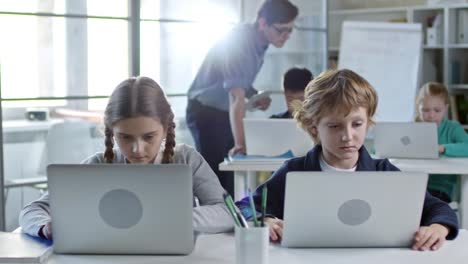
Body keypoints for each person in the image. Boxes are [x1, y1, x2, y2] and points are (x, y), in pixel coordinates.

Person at [237, 69, 458, 251]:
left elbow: (438, 208)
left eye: (357, 124)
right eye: (334, 126)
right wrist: (265, 220)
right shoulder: (294, 171)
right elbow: (245, 206)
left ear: (368, 122)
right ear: (315, 127)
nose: (347, 136)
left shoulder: (384, 172)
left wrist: (438, 227)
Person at [19, 76, 234, 240]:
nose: (137, 149)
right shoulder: (99, 164)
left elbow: (226, 211)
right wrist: (45, 227)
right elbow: (33, 210)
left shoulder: (187, 159)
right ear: (111, 131)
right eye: (125, 137)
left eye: (149, 137)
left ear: (166, 127)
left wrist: (173, 220)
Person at [186, 0, 299, 196]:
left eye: (290, 30)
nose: (286, 36)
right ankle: (210, 223)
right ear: (263, 23)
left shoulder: (261, 42)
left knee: (230, 179)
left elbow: (236, 80)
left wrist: (254, 94)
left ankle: (232, 223)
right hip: (205, 111)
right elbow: (235, 97)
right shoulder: (240, 41)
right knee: (215, 178)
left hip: (222, 112)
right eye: (282, 30)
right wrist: (241, 144)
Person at [415, 82, 468, 203]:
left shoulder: (452, 128)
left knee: (428, 206)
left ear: (446, 108)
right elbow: (381, 149)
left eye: (437, 110)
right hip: (415, 183)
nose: (431, 115)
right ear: (418, 108)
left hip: (440, 188)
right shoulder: (413, 129)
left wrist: (443, 148)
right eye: (425, 110)